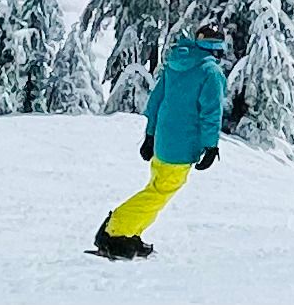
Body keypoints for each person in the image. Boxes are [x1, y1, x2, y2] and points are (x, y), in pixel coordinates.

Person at [93, 34, 230, 260]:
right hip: (182, 145)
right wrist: (211, 146)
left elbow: (155, 102)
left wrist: (149, 136)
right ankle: (115, 231)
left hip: (162, 140)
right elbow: (211, 113)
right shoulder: (211, 73)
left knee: (156, 188)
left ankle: (130, 233)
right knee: (159, 192)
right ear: (217, 49)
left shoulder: (174, 66)